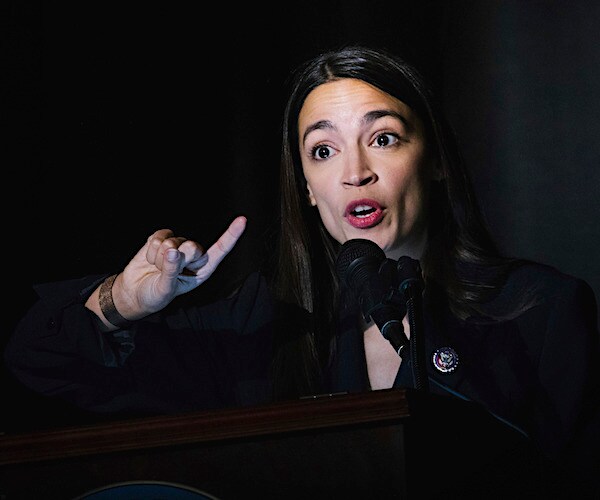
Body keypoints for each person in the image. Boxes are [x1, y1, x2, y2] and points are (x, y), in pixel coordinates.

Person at [4, 45, 599, 495]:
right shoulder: (265, 324)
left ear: (436, 159)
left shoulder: (540, 310)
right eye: (323, 150)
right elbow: (37, 362)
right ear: (308, 189)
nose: (354, 172)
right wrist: (121, 304)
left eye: (384, 138)